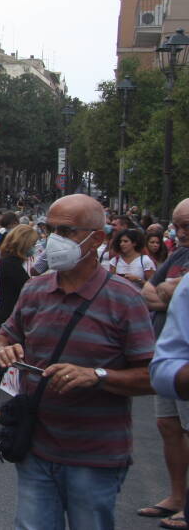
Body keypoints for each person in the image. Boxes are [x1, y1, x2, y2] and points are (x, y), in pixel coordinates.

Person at [0, 194, 155, 530]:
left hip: (94, 457)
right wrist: (1, 349)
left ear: (97, 239)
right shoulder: (34, 289)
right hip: (35, 447)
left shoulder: (125, 299)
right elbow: (3, 336)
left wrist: (97, 375)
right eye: (48, 229)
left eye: (65, 231)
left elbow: (151, 376)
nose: (52, 240)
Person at [140, 198, 189, 523]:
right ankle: (176, 495)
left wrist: (172, 295)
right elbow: (148, 290)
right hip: (166, 354)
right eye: (178, 224)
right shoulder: (178, 255)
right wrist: (169, 296)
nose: (181, 232)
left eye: (187, 225)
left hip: (184, 361)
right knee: (167, 425)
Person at [0, 224, 37, 422]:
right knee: (10, 360)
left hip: (8, 313)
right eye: (33, 244)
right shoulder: (12, 264)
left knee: (7, 360)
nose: (34, 248)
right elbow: (26, 288)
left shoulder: (9, 261)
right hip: (11, 317)